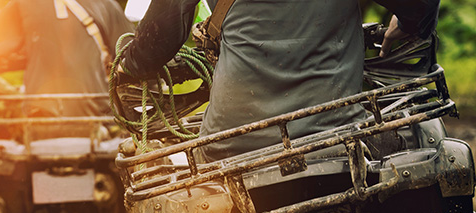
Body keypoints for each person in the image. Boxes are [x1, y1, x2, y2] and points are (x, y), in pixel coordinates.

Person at [120, 0, 440, 160]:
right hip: (335, 136)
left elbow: (160, 37)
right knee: (429, 139)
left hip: (230, 143)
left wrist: (129, 65)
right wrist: (408, 23)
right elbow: (420, 5)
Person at [0, 0, 133, 136]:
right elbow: (132, 60)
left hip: (40, 120)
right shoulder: (107, 5)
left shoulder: (24, 4)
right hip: (100, 119)